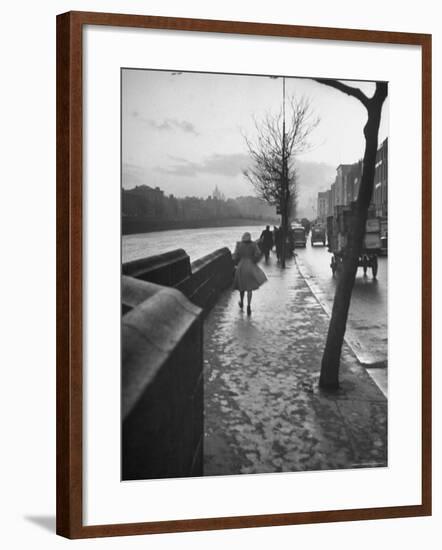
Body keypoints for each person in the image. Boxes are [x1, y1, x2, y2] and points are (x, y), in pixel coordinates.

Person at [232, 232, 267, 315]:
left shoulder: (239, 245)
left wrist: (237, 261)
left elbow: (234, 256)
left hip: (241, 267)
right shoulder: (254, 245)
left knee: (241, 287)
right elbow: (258, 253)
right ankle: (248, 306)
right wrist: (254, 260)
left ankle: (241, 302)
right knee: (249, 288)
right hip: (250, 266)